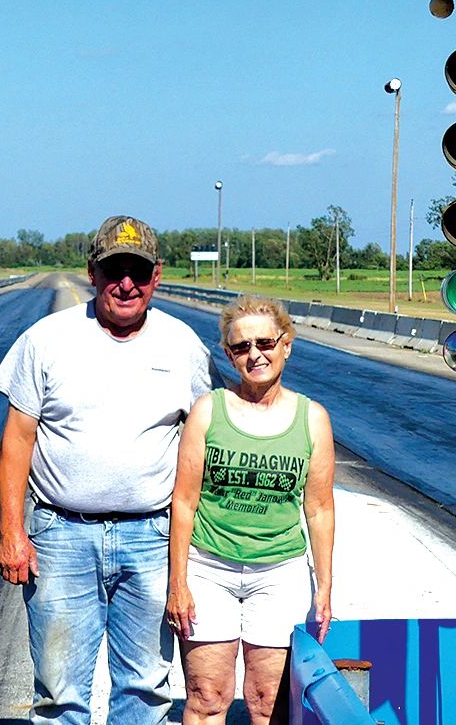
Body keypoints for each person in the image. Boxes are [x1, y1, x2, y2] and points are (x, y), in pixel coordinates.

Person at [0, 214, 214, 725]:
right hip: (60, 535)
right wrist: (11, 530)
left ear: (156, 275)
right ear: (92, 272)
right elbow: (16, 440)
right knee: (60, 692)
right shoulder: (46, 339)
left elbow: (205, 441)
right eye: (114, 270)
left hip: (153, 536)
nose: (126, 284)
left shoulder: (184, 347)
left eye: (137, 270)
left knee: (145, 689)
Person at [166, 295, 335, 725]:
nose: (255, 354)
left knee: (267, 701)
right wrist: (179, 583)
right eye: (241, 347)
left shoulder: (312, 418)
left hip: (278, 573)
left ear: (286, 344)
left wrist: (325, 588)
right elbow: (184, 501)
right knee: (207, 697)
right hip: (210, 569)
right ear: (228, 354)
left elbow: (318, 508)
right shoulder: (209, 411)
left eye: (264, 343)